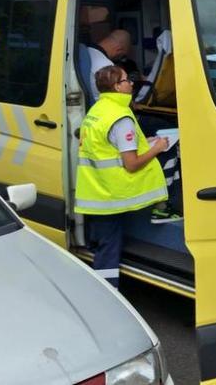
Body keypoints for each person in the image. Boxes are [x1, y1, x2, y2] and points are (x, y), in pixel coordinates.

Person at [74, 65, 170, 288]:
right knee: (108, 252)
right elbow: (132, 164)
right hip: (112, 195)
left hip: (94, 190)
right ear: (117, 86)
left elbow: (108, 147)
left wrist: (146, 142)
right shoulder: (121, 117)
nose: (132, 83)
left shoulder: (98, 110)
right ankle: (106, 296)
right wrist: (158, 148)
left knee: (101, 245)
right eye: (127, 80)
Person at [86, 29, 133, 102]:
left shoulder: (85, 51)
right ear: (119, 50)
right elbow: (117, 98)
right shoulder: (107, 67)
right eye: (122, 56)